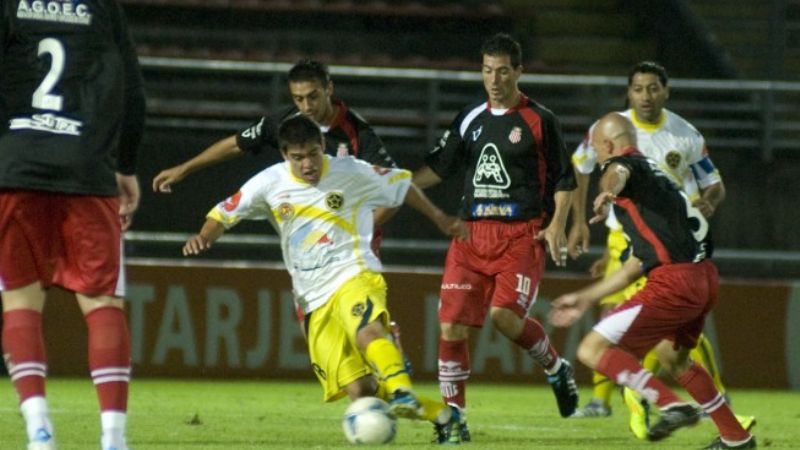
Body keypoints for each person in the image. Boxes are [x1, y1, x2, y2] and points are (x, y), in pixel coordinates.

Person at [183, 114, 469, 445]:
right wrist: (205, 236)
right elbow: (223, 213)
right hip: (311, 300)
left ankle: (402, 388)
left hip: (354, 273)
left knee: (367, 332)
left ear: (323, 147)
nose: (307, 164)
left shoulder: (352, 171)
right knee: (361, 392)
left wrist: (440, 218)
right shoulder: (269, 183)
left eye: (313, 154)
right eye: (297, 157)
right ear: (284, 155)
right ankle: (445, 416)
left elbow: (402, 184)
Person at [567, 61, 754, 438]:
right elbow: (639, 259)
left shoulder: (624, 165)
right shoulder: (660, 177)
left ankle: (670, 405)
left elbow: (618, 172)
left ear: (604, 145)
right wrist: (587, 296)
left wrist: (608, 190)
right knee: (675, 357)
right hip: (703, 276)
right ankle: (736, 437)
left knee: (592, 348)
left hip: (675, 282)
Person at [412, 33, 579, 441]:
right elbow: (438, 168)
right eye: (487, 70)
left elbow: (564, 177)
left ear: (518, 71)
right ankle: (455, 422)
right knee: (451, 327)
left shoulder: (540, 120)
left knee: (504, 318)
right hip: (470, 236)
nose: (494, 79)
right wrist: (398, 188)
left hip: (521, 235)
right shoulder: (470, 119)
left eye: (503, 71)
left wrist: (556, 224)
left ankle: (555, 367)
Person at [0, 1, 146, 449]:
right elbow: (132, 92)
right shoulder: (103, 7)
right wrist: (125, 165)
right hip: (86, 168)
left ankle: (40, 433)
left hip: (15, 165)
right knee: (103, 304)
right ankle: (113, 439)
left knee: (20, 302)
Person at [152, 58, 398, 227]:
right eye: (298, 99)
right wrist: (184, 169)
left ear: (329, 89)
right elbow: (236, 144)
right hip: (309, 237)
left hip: (352, 239)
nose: (306, 106)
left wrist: (359, 231)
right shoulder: (284, 121)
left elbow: (395, 190)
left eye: (313, 97)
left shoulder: (358, 132)